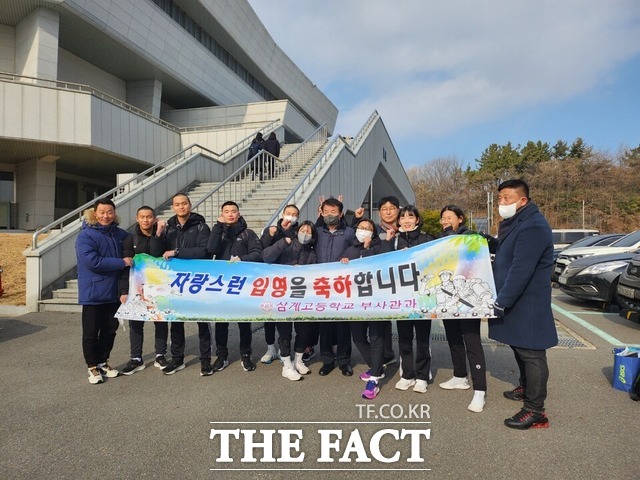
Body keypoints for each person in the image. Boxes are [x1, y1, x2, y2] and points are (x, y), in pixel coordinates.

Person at [489, 179, 557, 429]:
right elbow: (508, 251)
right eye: (499, 199)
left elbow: (521, 268)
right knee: (519, 347)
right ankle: (526, 387)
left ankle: (535, 409)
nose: (502, 203)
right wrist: (487, 240)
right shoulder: (517, 223)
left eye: (507, 198)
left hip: (527, 301)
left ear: (522, 200)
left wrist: (502, 301)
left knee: (532, 352)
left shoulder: (533, 226)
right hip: (517, 299)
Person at [436, 205, 487, 412]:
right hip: (448, 299)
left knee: (472, 341)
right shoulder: (439, 241)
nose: (445, 221)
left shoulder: (471, 237)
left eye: (449, 217)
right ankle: (459, 376)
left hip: (467, 299)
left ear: (460, 219)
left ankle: (480, 391)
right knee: (453, 338)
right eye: (443, 218)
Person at [75, 198, 132, 384]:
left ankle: (103, 361)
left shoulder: (121, 234)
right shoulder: (86, 236)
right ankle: (92, 367)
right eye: (102, 212)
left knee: (110, 331)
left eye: (109, 212)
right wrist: (121, 262)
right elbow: (92, 261)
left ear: (114, 213)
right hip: (94, 293)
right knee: (91, 332)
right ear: (94, 213)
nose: (106, 216)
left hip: (114, 292)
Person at [380, 205, 435, 393]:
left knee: (422, 339)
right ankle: (407, 374)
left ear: (417, 219)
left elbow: (435, 262)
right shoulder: (394, 240)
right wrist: (388, 244)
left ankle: (422, 376)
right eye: (403, 217)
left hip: (422, 297)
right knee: (404, 338)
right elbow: (383, 262)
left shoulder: (427, 239)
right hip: (402, 298)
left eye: (410, 216)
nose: (406, 220)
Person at [156, 193, 212, 375]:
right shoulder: (168, 228)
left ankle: (205, 360)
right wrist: (158, 234)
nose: (181, 207)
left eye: (184, 203)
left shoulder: (201, 226)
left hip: (197, 281)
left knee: (202, 322)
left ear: (190, 204)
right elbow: (158, 252)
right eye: (177, 204)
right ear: (173, 207)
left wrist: (177, 251)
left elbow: (204, 251)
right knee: (176, 322)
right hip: (175, 282)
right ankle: (177, 359)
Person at [207, 201, 263, 372]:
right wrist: (218, 227)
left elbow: (258, 253)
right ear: (221, 214)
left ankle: (246, 354)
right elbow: (211, 249)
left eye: (233, 211)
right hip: (222, 283)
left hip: (243, 284)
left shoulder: (248, 233)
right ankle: (222, 355)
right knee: (221, 322)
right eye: (226, 211)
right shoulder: (218, 232)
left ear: (239, 213)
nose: (230, 214)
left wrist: (242, 259)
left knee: (244, 321)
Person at [341, 218, 391, 399]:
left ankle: (375, 379)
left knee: (376, 338)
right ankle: (376, 366)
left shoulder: (380, 245)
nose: (364, 231)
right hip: (355, 302)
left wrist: (368, 248)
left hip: (377, 300)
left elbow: (381, 265)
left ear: (374, 232)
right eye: (361, 228)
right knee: (359, 337)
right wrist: (343, 261)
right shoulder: (350, 248)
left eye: (368, 228)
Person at [263, 221, 318, 380]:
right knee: (285, 332)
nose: (305, 233)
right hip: (283, 298)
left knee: (303, 330)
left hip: (303, 298)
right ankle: (287, 364)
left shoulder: (313, 253)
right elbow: (266, 257)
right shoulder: (285, 245)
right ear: (296, 231)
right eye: (303, 230)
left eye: (309, 231)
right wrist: (282, 243)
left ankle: (298, 360)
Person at [118, 206, 170, 375]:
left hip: (158, 286)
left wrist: (158, 234)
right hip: (136, 287)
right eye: (142, 217)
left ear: (154, 219)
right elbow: (126, 266)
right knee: (135, 322)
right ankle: (136, 358)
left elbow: (157, 254)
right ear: (137, 218)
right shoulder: (129, 238)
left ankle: (161, 355)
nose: (145, 220)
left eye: (149, 217)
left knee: (160, 320)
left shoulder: (163, 234)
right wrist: (124, 291)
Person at [315, 197, 355, 376]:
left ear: (340, 214)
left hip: (342, 287)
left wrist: (348, 255)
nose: (329, 215)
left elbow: (358, 248)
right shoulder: (316, 232)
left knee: (342, 326)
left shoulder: (349, 232)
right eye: (326, 212)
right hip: (321, 287)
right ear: (321, 213)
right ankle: (327, 361)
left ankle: (344, 361)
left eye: (333, 212)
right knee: (325, 327)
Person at [259, 204, 300, 364]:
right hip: (271, 281)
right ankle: (270, 348)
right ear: (282, 214)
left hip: (290, 282)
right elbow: (263, 251)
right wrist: (272, 234)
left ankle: (286, 351)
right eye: (288, 213)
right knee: (269, 316)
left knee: (288, 317)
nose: (290, 216)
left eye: (294, 214)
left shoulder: (298, 232)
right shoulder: (271, 230)